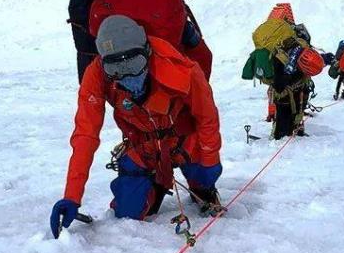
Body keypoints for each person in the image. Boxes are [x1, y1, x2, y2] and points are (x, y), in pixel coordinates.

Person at [50, 15, 222, 238]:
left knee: (205, 174)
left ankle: (201, 187)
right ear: (104, 63)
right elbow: (85, 134)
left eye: (134, 63)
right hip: (144, 149)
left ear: (147, 51)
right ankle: (156, 184)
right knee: (127, 213)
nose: (127, 74)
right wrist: (72, 196)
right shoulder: (96, 75)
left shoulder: (182, 68)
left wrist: (210, 159)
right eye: (116, 68)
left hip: (183, 142)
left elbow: (207, 118)